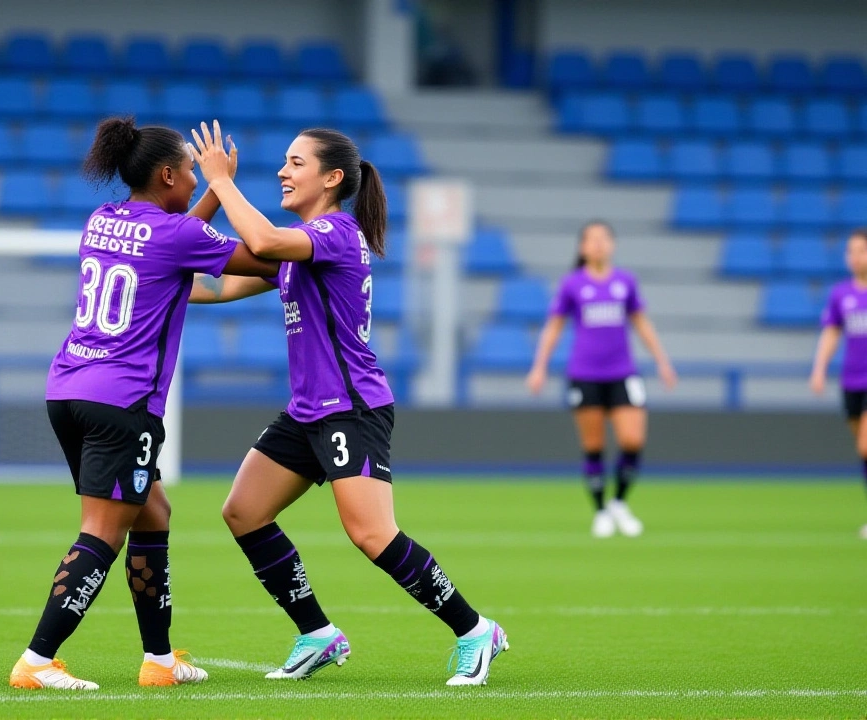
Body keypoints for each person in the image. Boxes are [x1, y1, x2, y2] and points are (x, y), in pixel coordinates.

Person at [187, 121, 508, 687]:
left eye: (296, 163)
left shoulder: (335, 232)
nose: (283, 172)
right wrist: (184, 231)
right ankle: (316, 634)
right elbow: (207, 286)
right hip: (308, 408)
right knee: (243, 512)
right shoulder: (295, 245)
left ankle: (475, 630)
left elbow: (260, 241)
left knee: (371, 534)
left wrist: (221, 180)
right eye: (284, 162)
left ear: (332, 178)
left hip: (351, 407)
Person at [9, 117, 278, 691]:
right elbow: (267, 257)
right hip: (122, 399)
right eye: (187, 169)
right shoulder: (176, 236)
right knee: (102, 532)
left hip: (69, 388)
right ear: (166, 174)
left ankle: (159, 660)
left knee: (153, 512)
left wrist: (206, 190)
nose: (192, 176)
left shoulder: (103, 219)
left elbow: (173, 239)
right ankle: (36, 660)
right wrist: (226, 187)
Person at [526, 221, 677, 538]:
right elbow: (554, 327)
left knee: (632, 440)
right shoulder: (573, 284)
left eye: (603, 238)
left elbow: (641, 323)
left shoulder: (625, 282)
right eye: (591, 239)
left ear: (612, 245)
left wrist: (662, 361)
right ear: (582, 247)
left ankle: (619, 502)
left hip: (623, 373)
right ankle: (601, 511)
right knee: (594, 445)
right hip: (585, 375)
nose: (597, 244)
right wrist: (539, 366)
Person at [808, 228, 867, 540]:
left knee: (866, 444)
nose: (855, 257)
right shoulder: (841, 295)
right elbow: (832, 332)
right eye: (850, 251)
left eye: (861, 250)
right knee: (862, 447)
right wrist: (819, 368)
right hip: (852, 381)